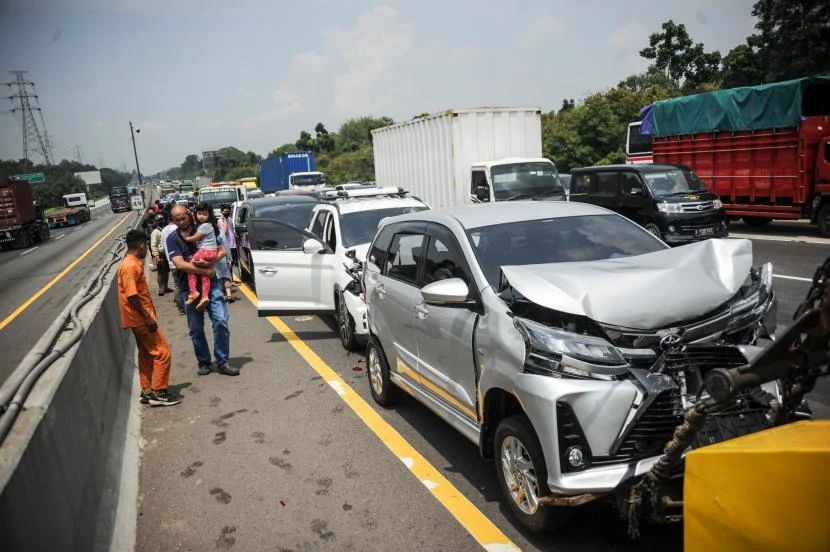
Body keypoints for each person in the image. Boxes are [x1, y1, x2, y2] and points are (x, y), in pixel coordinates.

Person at [166, 205, 238, 376]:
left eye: (183, 218)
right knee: (196, 328)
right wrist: (205, 271)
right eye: (177, 219)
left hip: (211, 285)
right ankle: (204, 362)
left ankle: (222, 361)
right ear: (172, 220)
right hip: (189, 288)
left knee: (221, 321)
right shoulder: (172, 238)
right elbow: (180, 264)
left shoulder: (204, 228)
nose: (181, 222)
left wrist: (210, 263)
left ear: (189, 215)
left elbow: (222, 250)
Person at [116, 229, 180, 406]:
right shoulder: (130, 266)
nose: (147, 250)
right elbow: (131, 295)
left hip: (137, 319)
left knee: (146, 354)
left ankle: (147, 391)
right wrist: (147, 317)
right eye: (146, 246)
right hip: (140, 319)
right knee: (163, 353)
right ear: (141, 245)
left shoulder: (131, 263)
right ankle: (159, 392)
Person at [180, 202, 220, 311]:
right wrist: (191, 215)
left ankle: (193, 291)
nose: (201, 216)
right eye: (199, 214)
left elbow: (195, 238)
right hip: (211, 253)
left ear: (209, 215)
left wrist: (185, 238)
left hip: (205, 251)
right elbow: (195, 222)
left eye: (205, 214)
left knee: (190, 268)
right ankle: (205, 296)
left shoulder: (205, 226)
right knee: (204, 274)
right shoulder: (206, 225)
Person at [149, 213, 173, 296]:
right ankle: (160, 289)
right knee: (160, 272)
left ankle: (165, 287)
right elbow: (153, 245)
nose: (161, 221)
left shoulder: (165, 229)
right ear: (156, 222)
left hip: (167, 253)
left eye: (162, 219)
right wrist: (156, 256)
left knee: (166, 271)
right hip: (160, 254)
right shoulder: (155, 232)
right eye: (159, 220)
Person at [217, 204, 238, 275]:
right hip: (226, 245)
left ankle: (230, 276)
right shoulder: (220, 221)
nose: (227, 213)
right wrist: (225, 220)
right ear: (221, 212)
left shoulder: (231, 219)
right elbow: (225, 232)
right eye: (225, 212)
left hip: (233, 244)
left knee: (232, 262)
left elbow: (233, 231)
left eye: (228, 212)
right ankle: (228, 277)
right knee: (228, 263)